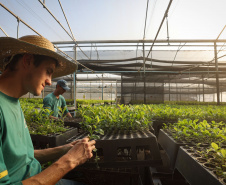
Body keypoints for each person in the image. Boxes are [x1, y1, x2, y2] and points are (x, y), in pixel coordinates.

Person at [0, 35, 95, 185]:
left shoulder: (13, 101)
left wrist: (65, 149)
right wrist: (69, 161)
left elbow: (24, 157)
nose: (50, 81)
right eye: (48, 71)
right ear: (28, 61)